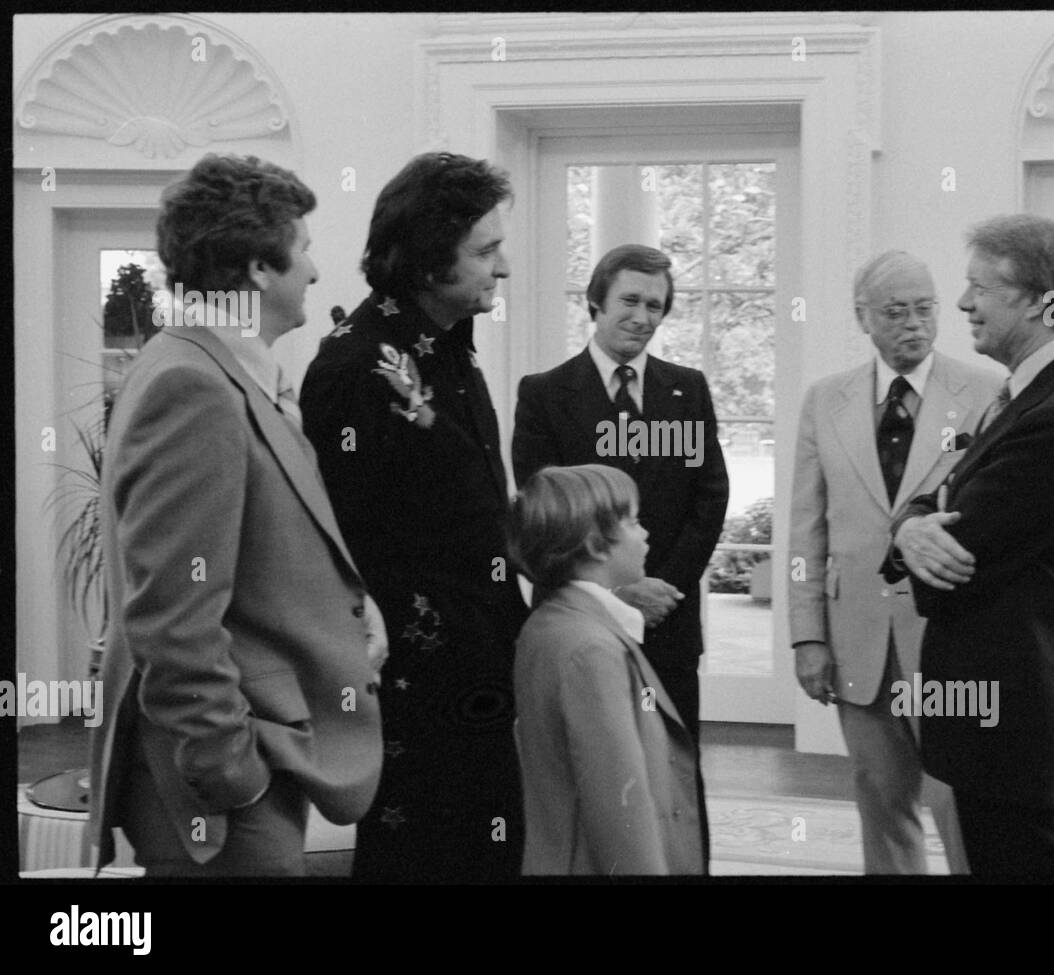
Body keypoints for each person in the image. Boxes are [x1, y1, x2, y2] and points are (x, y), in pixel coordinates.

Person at [89, 154, 385, 877]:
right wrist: (233, 775)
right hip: (220, 806)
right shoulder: (193, 384)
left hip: (247, 771)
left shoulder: (217, 370)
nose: (315, 271)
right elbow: (172, 618)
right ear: (258, 268)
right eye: (305, 248)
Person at [299, 152, 527, 882]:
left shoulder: (452, 349)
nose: (504, 267)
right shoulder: (355, 368)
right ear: (430, 261)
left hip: (479, 668)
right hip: (413, 697)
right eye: (486, 251)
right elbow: (339, 550)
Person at [884, 214, 1054, 877]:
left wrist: (916, 528)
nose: (962, 303)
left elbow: (948, 567)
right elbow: (939, 498)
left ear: (1042, 300)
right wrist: (909, 524)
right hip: (1007, 728)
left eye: (978, 286)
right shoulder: (1033, 394)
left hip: (1020, 732)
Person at [511, 243, 729, 865]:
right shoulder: (546, 394)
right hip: (582, 622)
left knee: (675, 773)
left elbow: (710, 497)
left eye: (655, 305)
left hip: (670, 620)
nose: (642, 316)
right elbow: (543, 506)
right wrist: (615, 594)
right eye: (630, 301)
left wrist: (660, 587)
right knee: (602, 778)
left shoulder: (686, 391)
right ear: (596, 304)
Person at [789, 251, 1001, 874]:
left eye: (925, 309)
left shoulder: (990, 392)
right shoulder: (825, 400)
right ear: (863, 318)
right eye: (896, 312)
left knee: (961, 804)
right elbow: (806, 530)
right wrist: (807, 636)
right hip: (855, 639)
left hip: (950, 637)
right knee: (881, 806)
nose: (914, 324)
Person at [508, 465, 705, 875]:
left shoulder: (552, 624)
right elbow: (621, 807)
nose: (645, 533)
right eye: (633, 521)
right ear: (597, 545)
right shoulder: (590, 650)